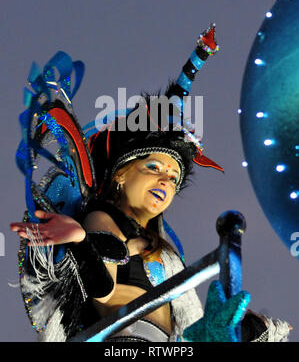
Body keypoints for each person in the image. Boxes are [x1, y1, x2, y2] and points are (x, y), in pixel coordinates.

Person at [10, 25, 291, 342]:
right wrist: (79, 241)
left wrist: (246, 328)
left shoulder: (165, 250)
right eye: (154, 167)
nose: (164, 181)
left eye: (173, 177)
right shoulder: (104, 219)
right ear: (121, 173)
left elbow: (189, 324)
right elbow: (104, 292)